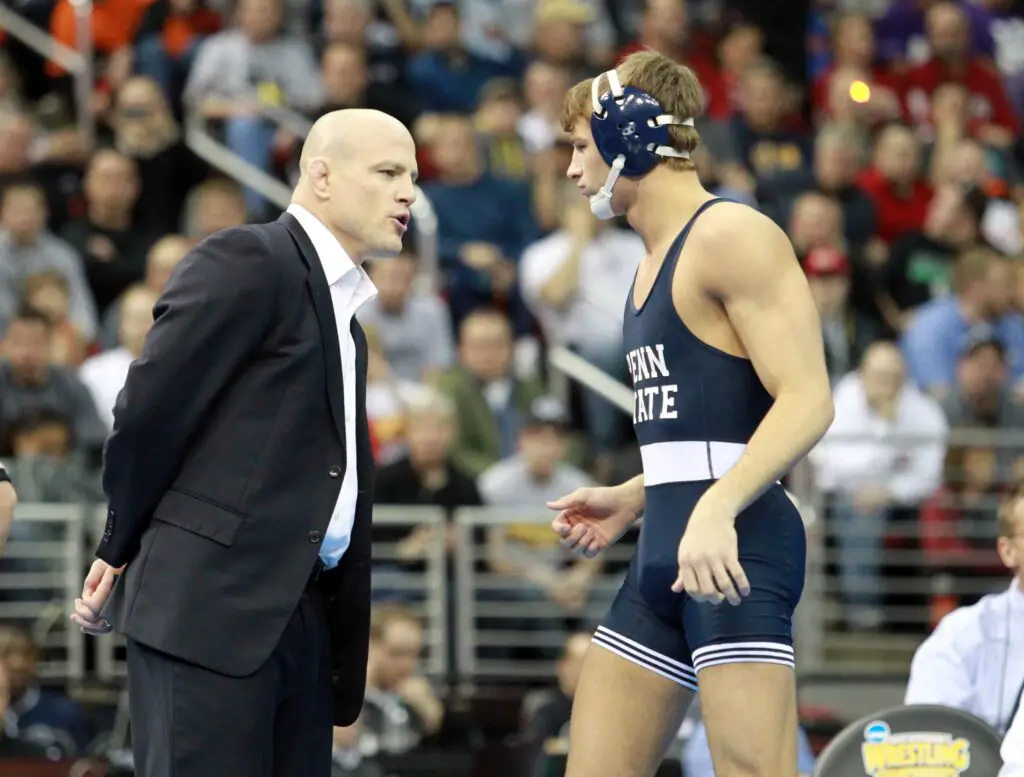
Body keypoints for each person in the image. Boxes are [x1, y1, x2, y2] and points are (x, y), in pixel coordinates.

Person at [67, 108, 419, 777]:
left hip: (305, 618)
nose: (408, 192)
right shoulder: (248, 257)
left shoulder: (350, 329)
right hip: (212, 610)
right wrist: (120, 537)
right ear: (321, 175)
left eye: (412, 176)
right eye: (388, 172)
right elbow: (149, 410)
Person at [547, 51, 834, 777]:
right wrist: (633, 496)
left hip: (734, 549)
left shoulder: (731, 235)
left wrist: (717, 507)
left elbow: (808, 399)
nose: (573, 170)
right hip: (668, 547)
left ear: (629, 135)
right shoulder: (650, 264)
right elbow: (712, 429)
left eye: (581, 146)